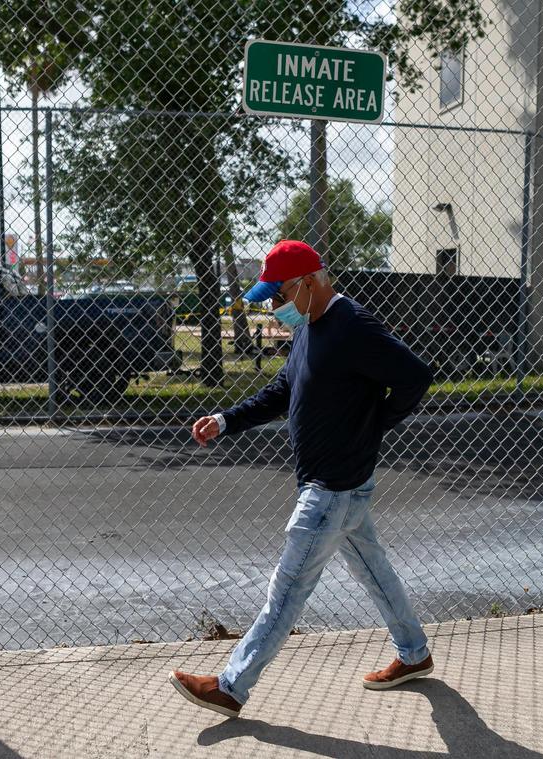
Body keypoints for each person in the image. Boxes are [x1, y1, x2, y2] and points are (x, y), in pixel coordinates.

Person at [168, 240, 435, 719]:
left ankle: (231, 686)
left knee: (287, 589)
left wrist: (374, 424)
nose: (274, 306)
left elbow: (415, 375)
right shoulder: (309, 327)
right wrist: (227, 420)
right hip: (341, 487)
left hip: (331, 489)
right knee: (374, 571)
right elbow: (284, 389)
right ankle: (415, 653)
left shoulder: (351, 326)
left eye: (278, 295)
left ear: (309, 283)